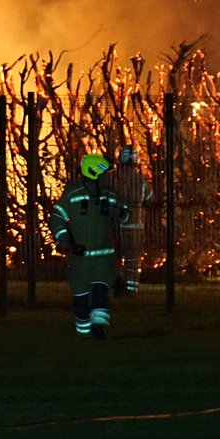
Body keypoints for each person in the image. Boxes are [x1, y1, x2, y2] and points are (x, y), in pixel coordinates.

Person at [49, 153, 130, 338]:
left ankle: (99, 326)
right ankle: (84, 331)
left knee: (101, 291)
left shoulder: (110, 195)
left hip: (104, 256)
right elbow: (57, 218)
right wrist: (64, 239)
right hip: (80, 257)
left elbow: (127, 216)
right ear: (94, 173)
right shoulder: (73, 194)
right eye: (105, 173)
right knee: (81, 297)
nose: (108, 177)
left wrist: (118, 213)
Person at [113, 145, 153, 295]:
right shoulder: (141, 181)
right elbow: (150, 200)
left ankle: (115, 286)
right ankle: (131, 290)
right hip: (135, 227)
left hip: (115, 226)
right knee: (132, 260)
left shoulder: (111, 178)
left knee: (114, 258)